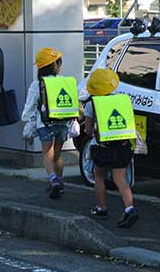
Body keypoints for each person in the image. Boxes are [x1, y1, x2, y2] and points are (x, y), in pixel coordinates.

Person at [85, 68, 139, 228]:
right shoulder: (122, 100)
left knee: (99, 176)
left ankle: (101, 208)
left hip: (102, 148)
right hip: (122, 146)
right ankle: (129, 209)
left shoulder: (91, 104)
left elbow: (88, 131)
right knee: (120, 179)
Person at [21, 47, 73, 199]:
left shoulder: (37, 84)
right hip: (63, 123)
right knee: (57, 154)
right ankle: (59, 181)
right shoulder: (64, 82)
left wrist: (28, 120)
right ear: (56, 66)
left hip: (45, 124)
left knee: (47, 154)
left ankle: (53, 181)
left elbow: (28, 109)